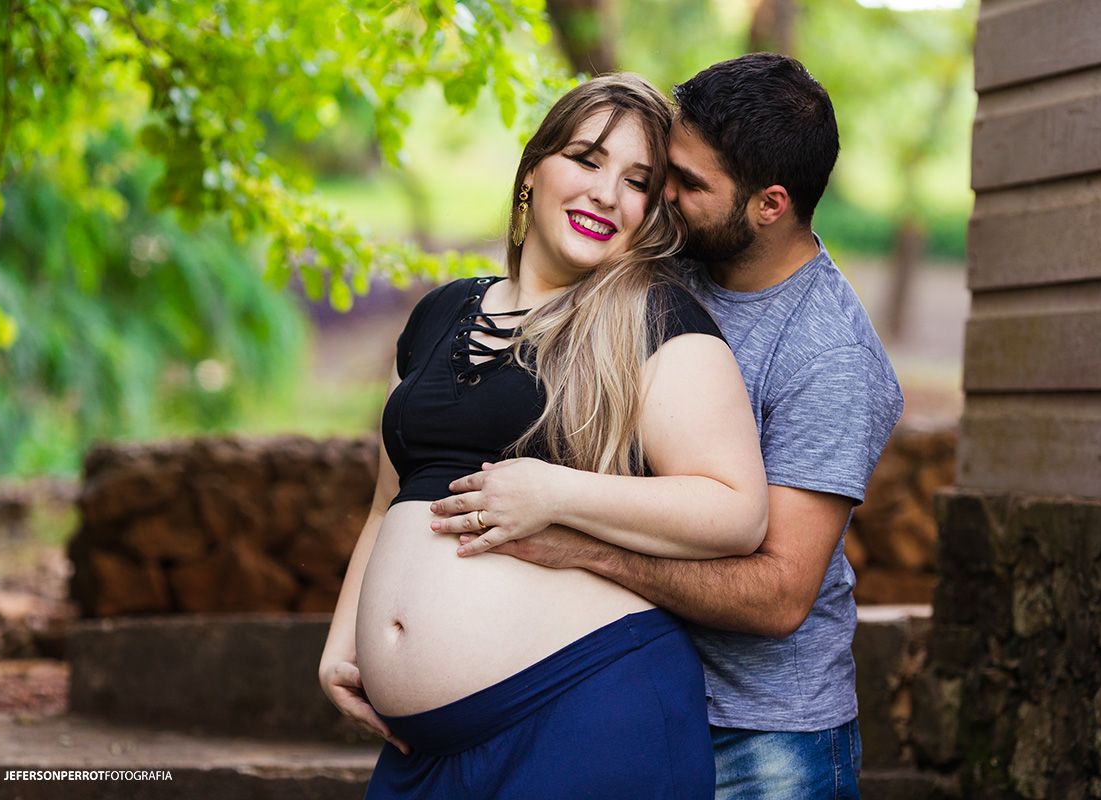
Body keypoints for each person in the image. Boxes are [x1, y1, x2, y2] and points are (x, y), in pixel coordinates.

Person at [434, 54, 904, 800]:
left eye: (687, 182)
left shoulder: (830, 358)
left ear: (770, 204)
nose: (664, 196)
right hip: (617, 695)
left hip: (759, 739)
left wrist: (580, 547)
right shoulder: (660, 265)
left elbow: (779, 595)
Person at [318, 73, 770, 799]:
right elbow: (388, 504)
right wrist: (343, 643)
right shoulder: (440, 313)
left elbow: (737, 511)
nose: (606, 193)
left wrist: (556, 492)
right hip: (425, 751)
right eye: (587, 160)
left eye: (636, 181)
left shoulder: (655, 321)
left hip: (586, 711)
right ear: (533, 169)